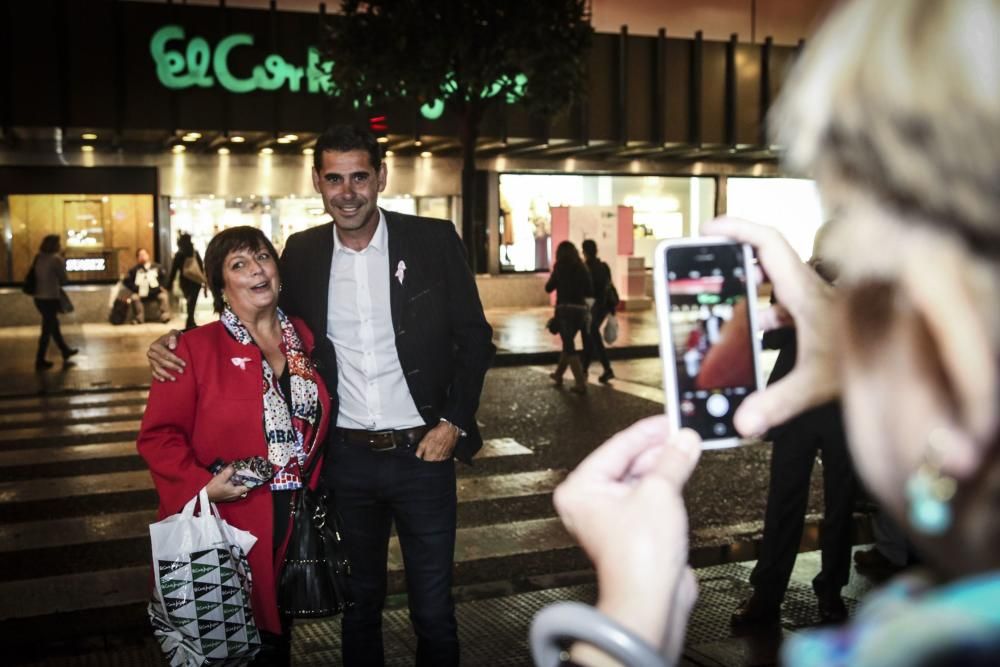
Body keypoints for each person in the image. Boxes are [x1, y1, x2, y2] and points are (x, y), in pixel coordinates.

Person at [547, 0, 1000, 664]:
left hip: (845, 427)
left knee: (839, 509)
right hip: (812, 422)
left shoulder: (904, 648)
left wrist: (626, 626)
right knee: (792, 504)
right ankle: (774, 588)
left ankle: (827, 584)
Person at [147, 125, 495, 667]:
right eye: (335, 178)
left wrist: (453, 421)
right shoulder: (303, 253)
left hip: (425, 454)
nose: (348, 190)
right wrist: (176, 341)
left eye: (360, 176)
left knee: (433, 610)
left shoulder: (433, 239)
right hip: (346, 462)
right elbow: (258, 316)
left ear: (381, 176)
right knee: (359, 608)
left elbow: (474, 338)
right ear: (317, 181)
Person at [137, 226, 332, 665]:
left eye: (262, 257)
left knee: (278, 641)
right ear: (220, 285)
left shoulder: (306, 338)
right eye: (238, 264)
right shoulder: (192, 348)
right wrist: (202, 487)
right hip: (229, 523)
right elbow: (158, 436)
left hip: (293, 520)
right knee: (229, 645)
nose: (256, 270)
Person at [732, 249, 858, 628]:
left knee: (841, 505)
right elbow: (772, 338)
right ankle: (767, 594)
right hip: (797, 406)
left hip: (846, 406)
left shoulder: (864, 285)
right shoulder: (798, 285)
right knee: (784, 501)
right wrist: (793, 294)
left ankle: (831, 591)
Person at [545, 240, 594, 394]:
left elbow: (548, 287)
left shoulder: (559, 267)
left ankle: (580, 383)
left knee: (569, 346)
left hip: (565, 310)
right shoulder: (581, 266)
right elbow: (589, 288)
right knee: (568, 344)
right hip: (580, 310)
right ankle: (558, 375)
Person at [29, 234, 78, 370]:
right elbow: (64, 279)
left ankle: (65, 350)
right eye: (58, 243)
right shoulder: (56, 259)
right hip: (50, 298)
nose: (60, 245)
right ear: (55, 245)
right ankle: (40, 359)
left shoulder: (39, 257)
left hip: (39, 298)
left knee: (53, 325)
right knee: (47, 329)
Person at [581, 239, 615, 384]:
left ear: (585, 252)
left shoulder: (585, 267)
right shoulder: (604, 266)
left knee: (591, 334)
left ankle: (606, 368)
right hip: (603, 306)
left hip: (591, 307)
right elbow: (609, 285)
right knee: (591, 335)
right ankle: (584, 369)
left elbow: (585, 290)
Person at [168, 232, 207, 330]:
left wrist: (169, 284)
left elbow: (174, 270)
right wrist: (203, 279)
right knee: (192, 301)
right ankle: (190, 321)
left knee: (189, 301)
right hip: (196, 281)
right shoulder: (194, 252)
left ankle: (190, 321)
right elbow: (200, 267)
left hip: (184, 281)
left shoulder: (179, 254)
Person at [124, 248, 172, 324]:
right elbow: (127, 281)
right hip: (141, 293)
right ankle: (139, 318)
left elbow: (164, 278)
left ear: (148, 255)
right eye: (140, 255)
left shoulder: (157, 267)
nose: (142, 256)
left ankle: (165, 316)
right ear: (137, 258)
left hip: (155, 291)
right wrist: (136, 289)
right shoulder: (134, 270)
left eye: (144, 254)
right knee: (134, 297)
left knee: (164, 296)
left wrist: (161, 287)